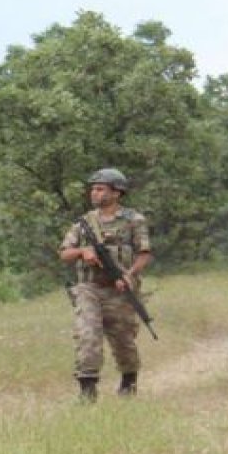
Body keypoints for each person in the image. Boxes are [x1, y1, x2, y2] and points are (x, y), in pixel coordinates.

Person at [58, 168, 153, 402]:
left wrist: (130, 275)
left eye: (100, 189)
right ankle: (87, 388)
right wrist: (83, 251)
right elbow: (64, 253)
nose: (94, 193)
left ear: (117, 192)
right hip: (89, 287)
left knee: (123, 340)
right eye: (93, 189)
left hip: (120, 289)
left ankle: (129, 380)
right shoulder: (84, 224)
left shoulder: (134, 220)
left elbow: (145, 253)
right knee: (87, 333)